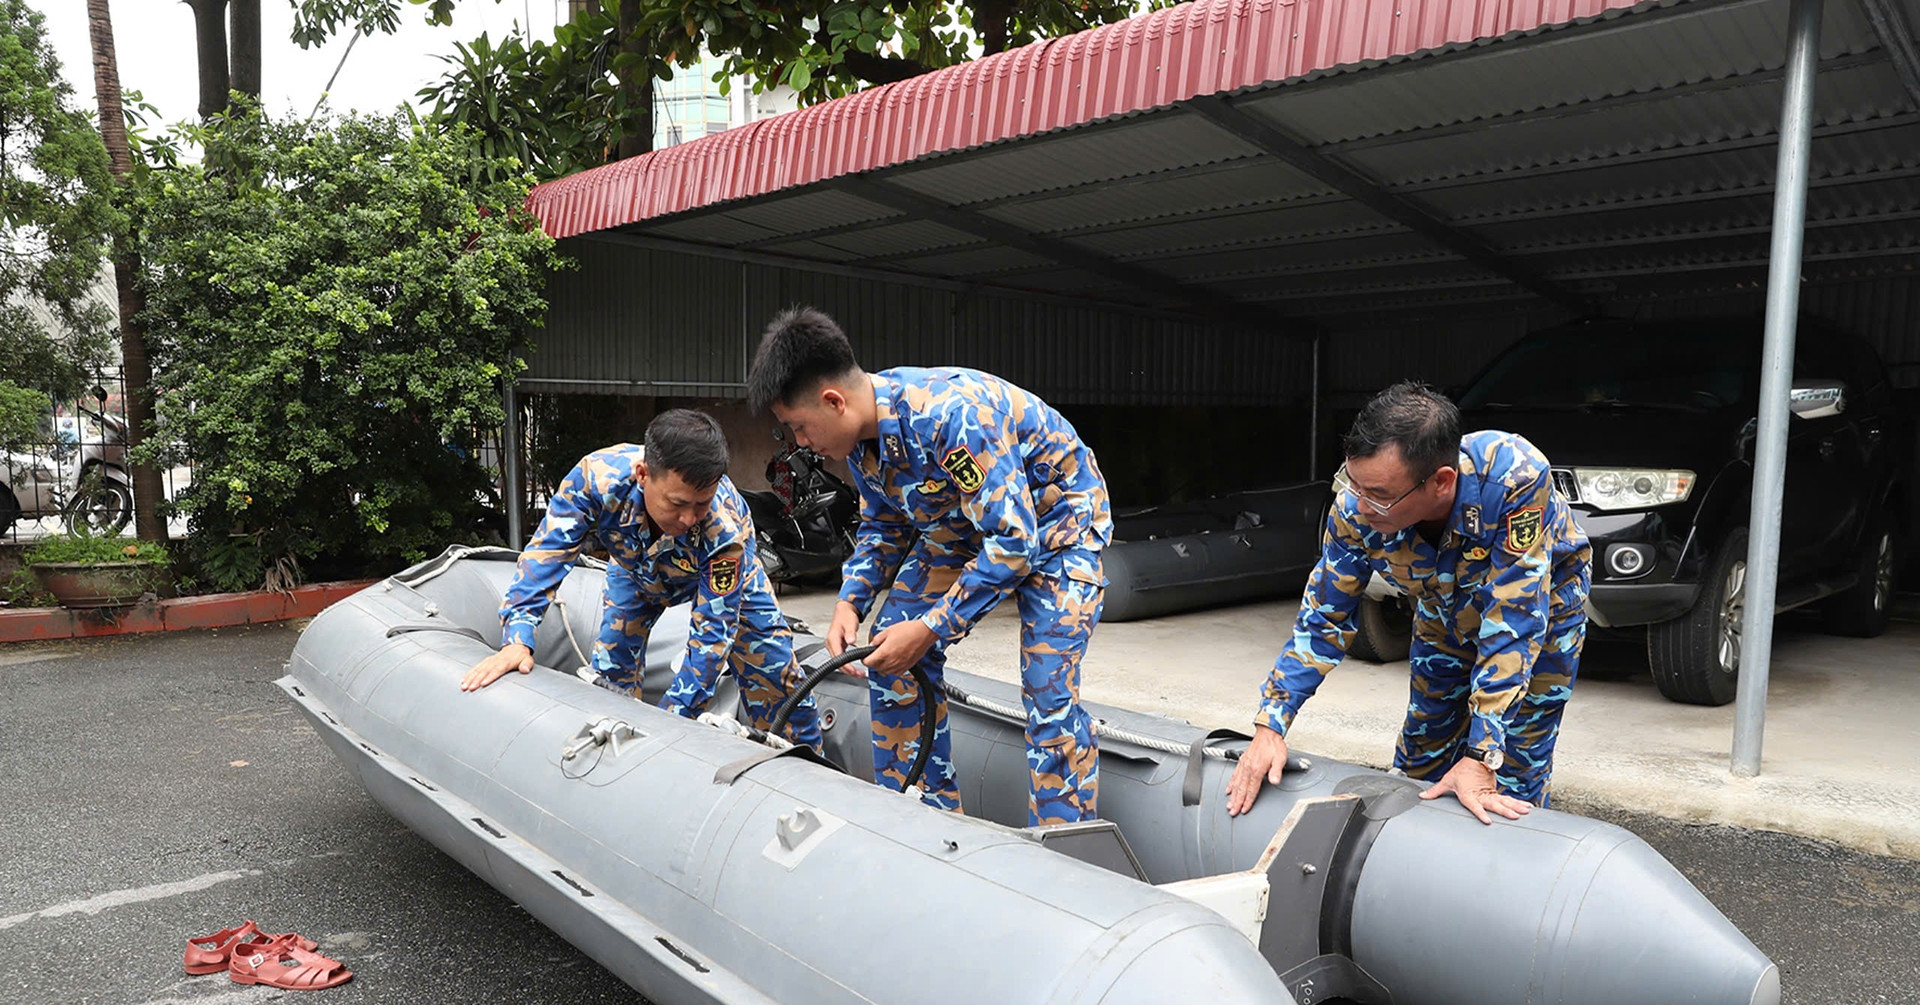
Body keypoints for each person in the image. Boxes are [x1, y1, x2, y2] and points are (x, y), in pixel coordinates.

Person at [746, 307, 1112, 826]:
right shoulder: (860, 443)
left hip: (1058, 526)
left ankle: (1063, 846)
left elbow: (1013, 543)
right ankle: (922, 819)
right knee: (888, 654)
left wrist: (932, 627)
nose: (801, 443)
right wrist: (850, 601)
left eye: (799, 427)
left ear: (834, 401)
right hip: (968, 525)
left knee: (1048, 689)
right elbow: (884, 527)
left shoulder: (950, 417)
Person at [1226, 381, 1591, 823]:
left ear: (1441, 483)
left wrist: (1482, 753)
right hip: (1442, 611)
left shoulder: (1513, 478)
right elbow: (1324, 619)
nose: (1361, 506)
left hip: (1541, 618)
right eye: (1353, 484)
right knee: (1422, 754)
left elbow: (1513, 621)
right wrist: (1271, 725)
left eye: (1379, 495)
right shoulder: (1354, 508)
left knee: (1508, 775)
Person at [459, 409, 823, 751]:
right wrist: (517, 638)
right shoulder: (594, 480)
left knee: (775, 672)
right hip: (635, 570)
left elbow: (712, 635)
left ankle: (806, 772)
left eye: (701, 504)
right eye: (677, 503)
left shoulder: (722, 531)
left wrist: (672, 724)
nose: (688, 519)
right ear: (643, 474)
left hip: (721, 578)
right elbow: (546, 556)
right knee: (611, 671)